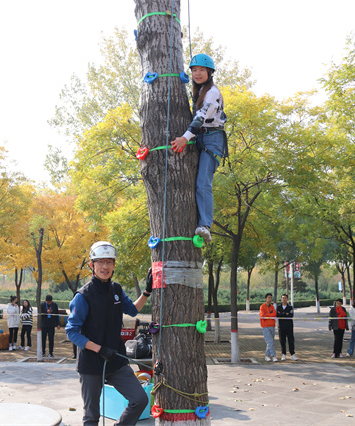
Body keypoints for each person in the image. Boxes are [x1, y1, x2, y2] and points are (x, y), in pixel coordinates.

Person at [66, 241, 153, 426]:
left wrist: (147, 291)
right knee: (91, 417)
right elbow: (72, 332)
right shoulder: (82, 296)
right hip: (91, 362)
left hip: (116, 359)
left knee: (140, 399)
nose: (105, 266)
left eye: (109, 262)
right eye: (100, 262)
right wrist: (99, 349)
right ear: (92, 265)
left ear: (114, 265)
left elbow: (133, 310)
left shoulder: (117, 290)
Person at [170, 53, 227, 244]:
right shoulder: (200, 90)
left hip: (212, 140)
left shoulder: (211, 93)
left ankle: (205, 225)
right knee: (197, 181)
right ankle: (203, 221)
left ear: (210, 72)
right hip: (203, 138)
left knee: (203, 182)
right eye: (194, 70)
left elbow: (200, 118)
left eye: (202, 70)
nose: (197, 73)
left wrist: (185, 139)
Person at [276, 294, 297, 361]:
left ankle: (292, 354)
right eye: (283, 298)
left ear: (287, 299)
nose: (284, 299)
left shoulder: (290, 307)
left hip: (289, 326)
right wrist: (285, 313)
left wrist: (282, 313)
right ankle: (283, 354)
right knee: (282, 341)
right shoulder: (278, 307)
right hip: (281, 326)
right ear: (281, 299)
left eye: (285, 298)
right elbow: (277, 315)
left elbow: (291, 315)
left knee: (291, 340)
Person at [259, 293, 278, 362]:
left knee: (270, 342)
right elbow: (262, 316)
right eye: (269, 298)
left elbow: (274, 314)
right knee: (270, 342)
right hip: (265, 326)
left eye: (271, 298)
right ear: (265, 299)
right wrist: (269, 316)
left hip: (272, 326)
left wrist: (267, 315)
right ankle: (273, 356)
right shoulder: (262, 307)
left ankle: (267, 355)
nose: (270, 299)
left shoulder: (272, 307)